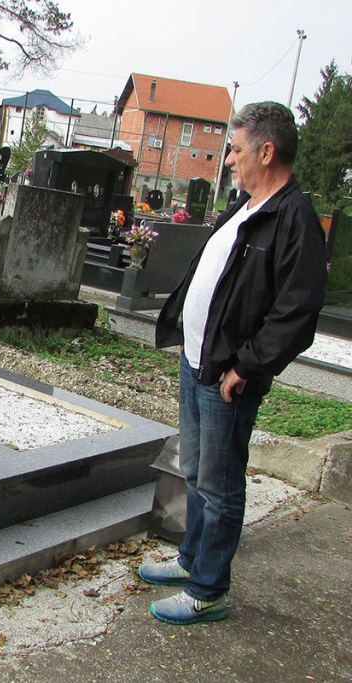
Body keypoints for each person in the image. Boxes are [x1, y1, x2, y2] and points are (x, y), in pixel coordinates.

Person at [139, 102, 327, 625]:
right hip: (197, 362)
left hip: (228, 375)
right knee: (195, 472)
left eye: (235, 149)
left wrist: (247, 365)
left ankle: (207, 590)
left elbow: (297, 311)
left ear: (266, 152)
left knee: (219, 485)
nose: (227, 160)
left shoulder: (293, 218)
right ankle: (190, 560)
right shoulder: (246, 207)